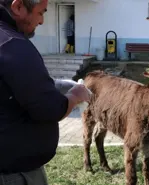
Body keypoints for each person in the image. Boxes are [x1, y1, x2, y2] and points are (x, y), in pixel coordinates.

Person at [0, 0, 90, 184]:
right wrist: (75, 96)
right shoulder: (13, 46)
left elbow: (11, 85)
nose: (41, 21)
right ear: (18, 7)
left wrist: (54, 84)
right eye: (41, 13)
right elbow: (50, 109)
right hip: (13, 176)